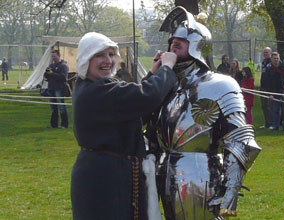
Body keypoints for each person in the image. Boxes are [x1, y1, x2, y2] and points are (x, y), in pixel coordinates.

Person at [145, 6, 261, 219]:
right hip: (162, 175)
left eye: (183, 40)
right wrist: (154, 75)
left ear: (200, 45)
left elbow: (240, 140)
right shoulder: (166, 84)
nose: (174, 43)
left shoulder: (221, 84)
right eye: (172, 41)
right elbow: (143, 118)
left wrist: (231, 191)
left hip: (201, 176)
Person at [71, 32, 178, 220]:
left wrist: (153, 73)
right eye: (100, 55)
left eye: (111, 54)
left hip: (110, 173)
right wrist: (167, 68)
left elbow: (134, 109)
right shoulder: (97, 90)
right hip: (105, 179)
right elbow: (147, 96)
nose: (108, 61)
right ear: (86, 59)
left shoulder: (95, 87)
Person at [44, 50, 69, 128]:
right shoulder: (51, 66)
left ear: (59, 56)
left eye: (54, 56)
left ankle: (64, 124)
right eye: (52, 56)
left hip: (59, 88)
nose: (53, 58)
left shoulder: (63, 66)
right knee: (53, 107)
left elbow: (63, 77)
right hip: (51, 88)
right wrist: (46, 73)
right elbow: (46, 77)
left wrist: (52, 74)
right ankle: (54, 124)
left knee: (61, 107)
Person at [259, 47, 272, 129]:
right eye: (264, 52)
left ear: (270, 53)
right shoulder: (263, 62)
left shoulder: (271, 62)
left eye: (267, 52)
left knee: (269, 106)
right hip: (262, 87)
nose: (265, 54)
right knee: (264, 106)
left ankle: (272, 123)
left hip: (269, 87)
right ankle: (266, 123)